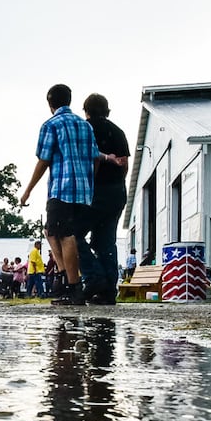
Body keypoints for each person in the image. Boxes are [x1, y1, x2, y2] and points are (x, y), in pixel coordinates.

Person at [19, 83, 98, 305]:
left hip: (62, 188)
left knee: (65, 235)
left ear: (50, 103)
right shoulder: (85, 126)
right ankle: (65, 277)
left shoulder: (51, 125)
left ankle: (73, 286)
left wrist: (27, 191)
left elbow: (43, 160)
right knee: (52, 231)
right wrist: (90, 185)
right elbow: (95, 159)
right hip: (83, 191)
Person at [77, 92, 130, 305]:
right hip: (117, 192)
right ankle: (108, 291)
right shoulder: (118, 131)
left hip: (94, 191)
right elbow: (124, 164)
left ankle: (94, 277)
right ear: (107, 111)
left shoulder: (84, 129)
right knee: (105, 241)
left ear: (86, 111)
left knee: (72, 234)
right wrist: (117, 182)